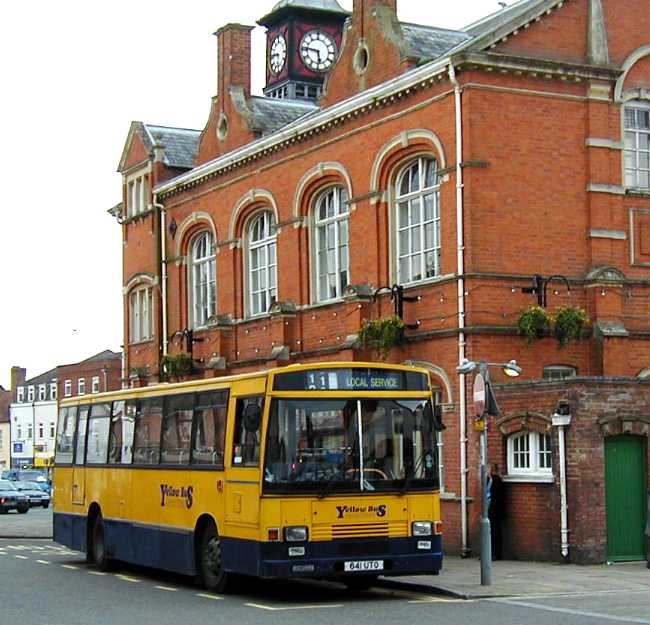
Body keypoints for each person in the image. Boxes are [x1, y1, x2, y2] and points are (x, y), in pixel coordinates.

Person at [487, 463, 506, 560]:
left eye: (488, 469)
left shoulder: (497, 481)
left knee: (495, 532)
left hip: (494, 510)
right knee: (488, 532)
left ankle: (496, 553)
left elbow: (497, 497)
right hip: (488, 509)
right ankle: (488, 553)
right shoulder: (488, 480)